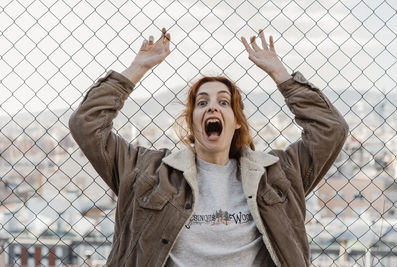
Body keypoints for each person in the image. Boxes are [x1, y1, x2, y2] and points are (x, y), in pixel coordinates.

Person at [69, 27, 348, 267]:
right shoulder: (146, 172)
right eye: (202, 103)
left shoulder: (278, 175)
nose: (212, 105)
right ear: (191, 122)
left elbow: (330, 130)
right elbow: (87, 124)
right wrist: (136, 69)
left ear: (237, 121)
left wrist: (281, 75)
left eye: (223, 102)